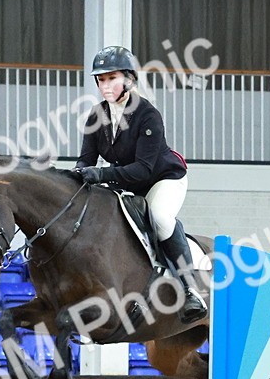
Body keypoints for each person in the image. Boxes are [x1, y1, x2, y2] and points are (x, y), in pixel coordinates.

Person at [71, 45, 207, 324]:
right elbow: (86, 159)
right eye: (101, 79)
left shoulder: (148, 115)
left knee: (158, 217)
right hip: (128, 183)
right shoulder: (96, 116)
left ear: (129, 80)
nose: (105, 85)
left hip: (162, 179)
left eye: (112, 78)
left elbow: (143, 169)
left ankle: (190, 288)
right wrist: (74, 177)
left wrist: (101, 176)